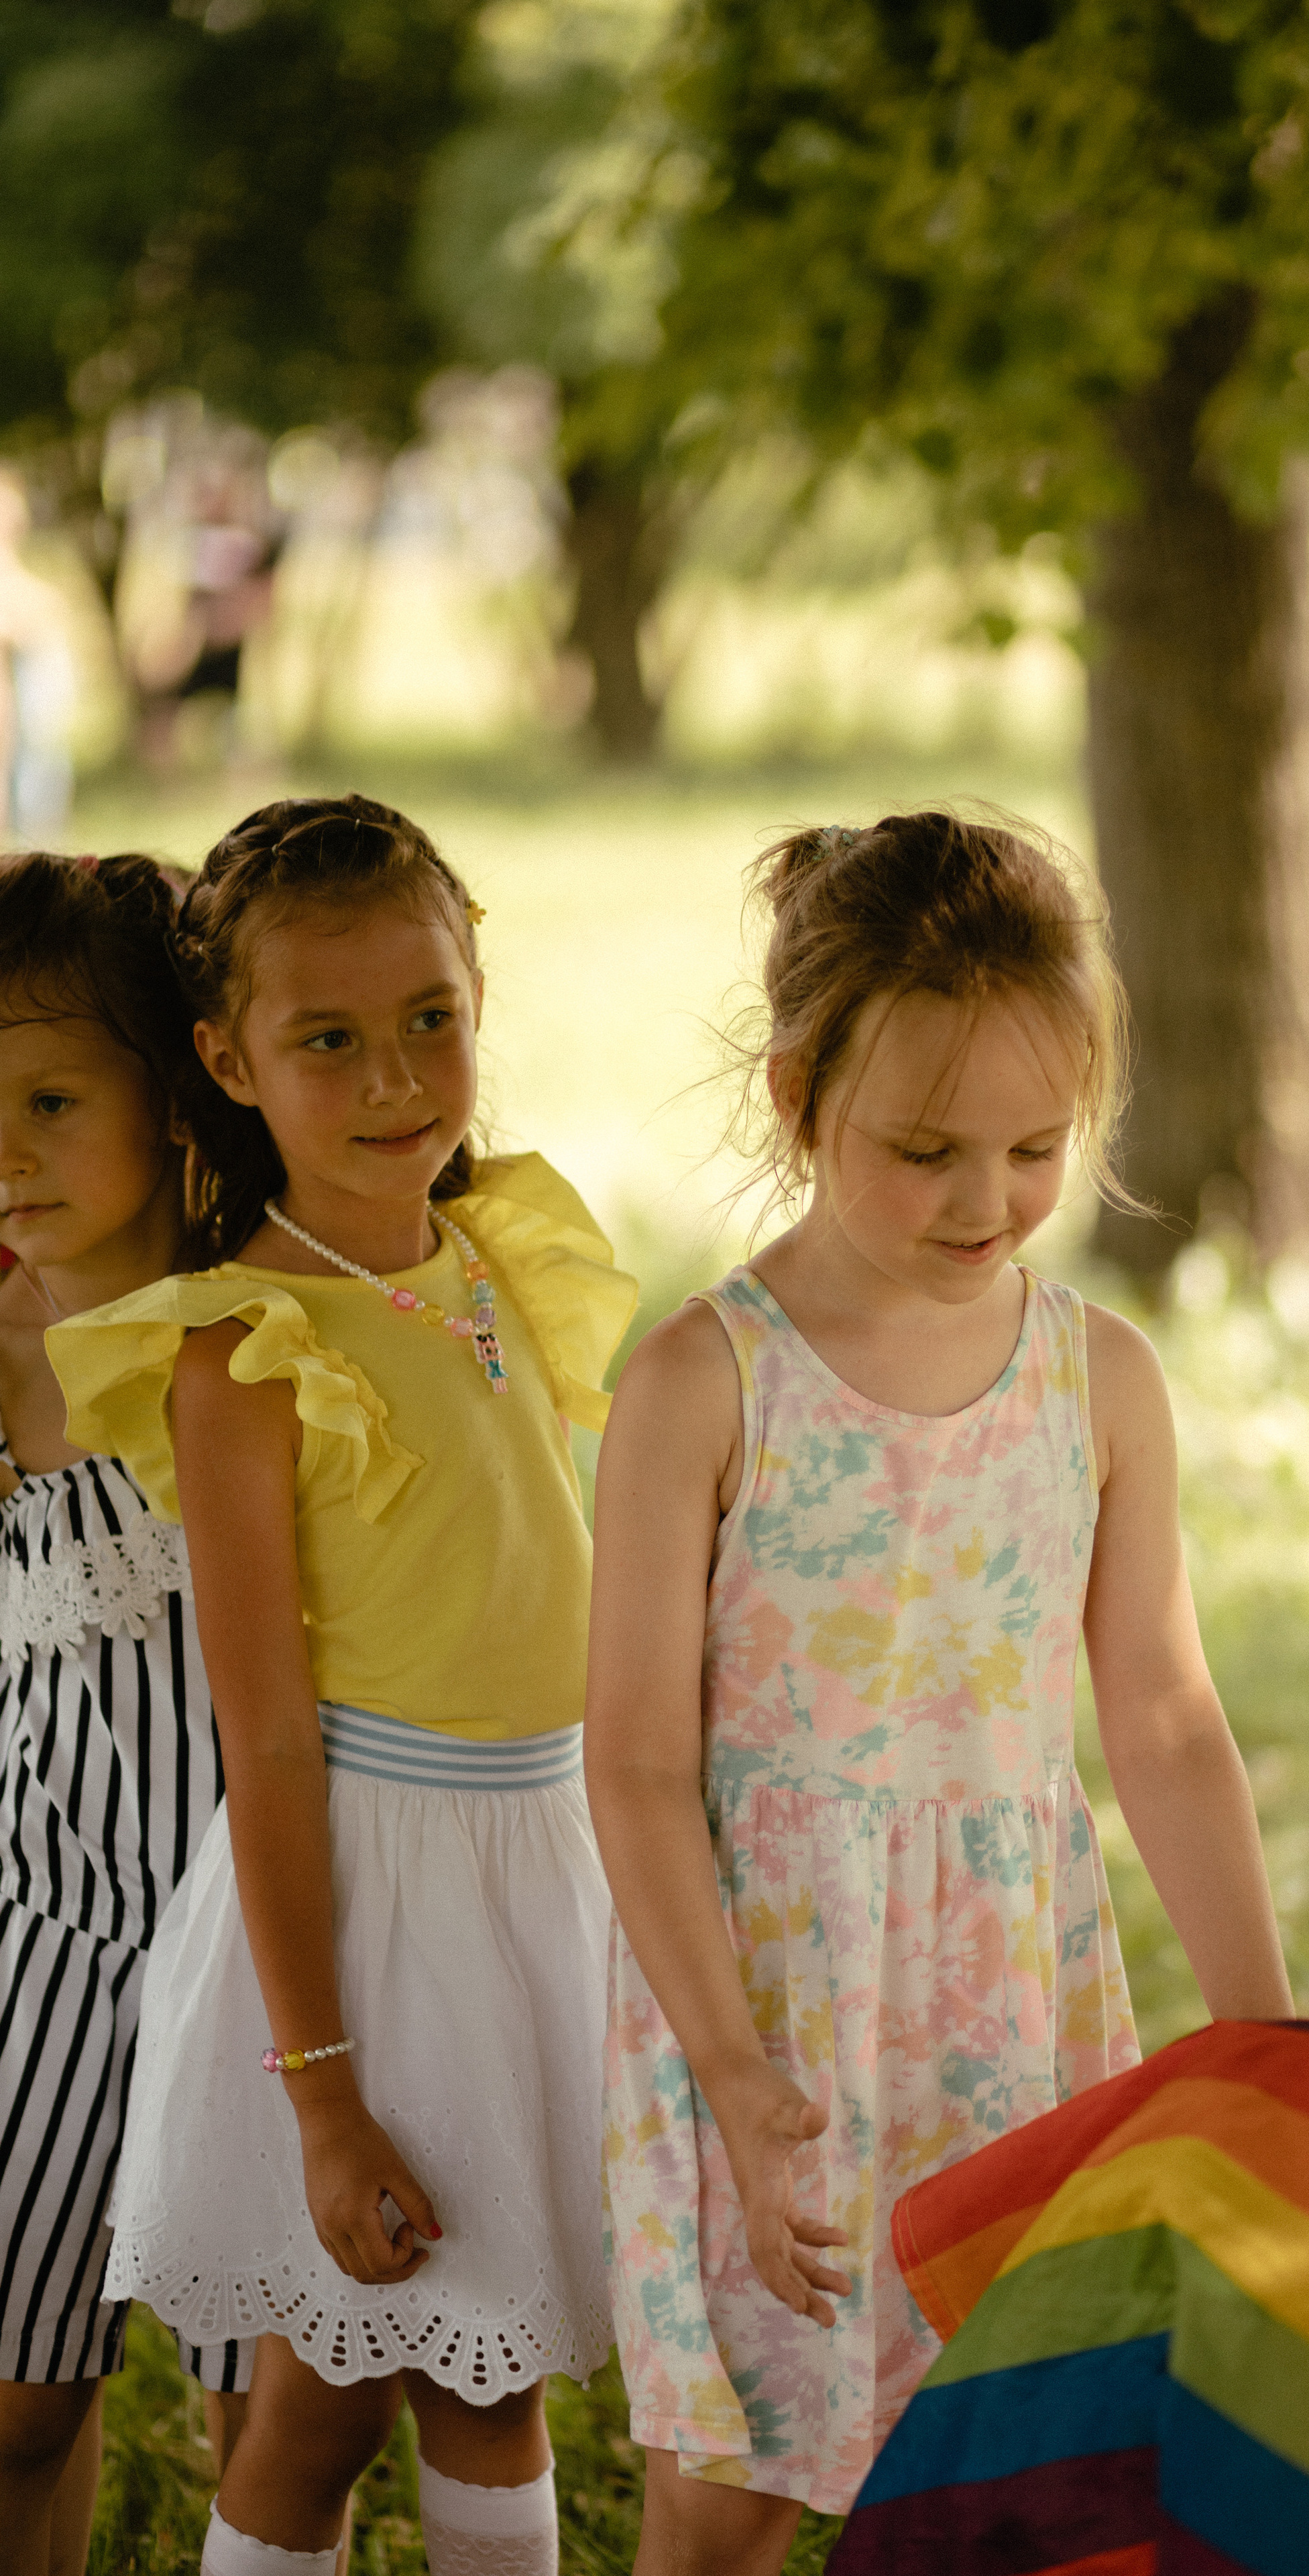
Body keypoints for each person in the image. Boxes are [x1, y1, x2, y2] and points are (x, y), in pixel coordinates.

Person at [585, 810, 1295, 2576]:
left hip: (1006, 2004)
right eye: (925, 1150)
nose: (987, 1201)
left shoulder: (1099, 1382)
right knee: (733, 2489)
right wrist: (740, 2079)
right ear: (798, 1089)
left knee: (1006, 2469)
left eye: (1035, 1147)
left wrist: (1264, 2038)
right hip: (760, 2009)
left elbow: (1162, 1721)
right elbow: (638, 1771)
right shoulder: (702, 1382)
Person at [47, 794, 635, 2576]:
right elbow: (268, 1735)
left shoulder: (498, 1261)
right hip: (375, 1917)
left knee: (491, 2378)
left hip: (538, 1881)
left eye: (431, 1020)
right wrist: (322, 2093)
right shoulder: (243, 1350)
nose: (398, 1080)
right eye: (329, 1040)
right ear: (229, 1057)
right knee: (319, 2404)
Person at [0, 852, 249, 2576]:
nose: (3, 1147)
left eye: (50, 1097)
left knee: (279, 2411)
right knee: (18, 2386)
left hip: (271, 1935)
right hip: (46, 1910)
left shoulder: (264, 1329)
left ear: (180, 1092)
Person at [0, 479, 76, 845]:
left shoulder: (11, 566)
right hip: (25, 674)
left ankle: (36, 829)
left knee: (36, 751)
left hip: (32, 675)